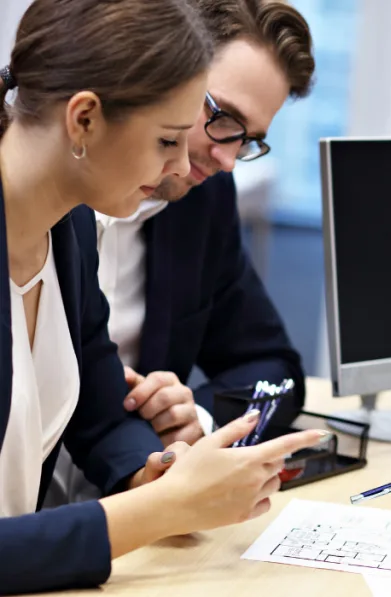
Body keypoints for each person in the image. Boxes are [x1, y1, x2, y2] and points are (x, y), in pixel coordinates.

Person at [0, 0, 325, 592]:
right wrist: (160, 508)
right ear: (85, 120)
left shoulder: (64, 229)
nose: (203, 164)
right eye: (169, 138)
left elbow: (102, 408)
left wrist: (158, 473)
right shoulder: (77, 212)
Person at [47, 0, 314, 505]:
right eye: (224, 119)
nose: (229, 159)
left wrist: (199, 421)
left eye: (250, 140)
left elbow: (273, 366)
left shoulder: (201, 201)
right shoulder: (42, 206)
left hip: (121, 505)